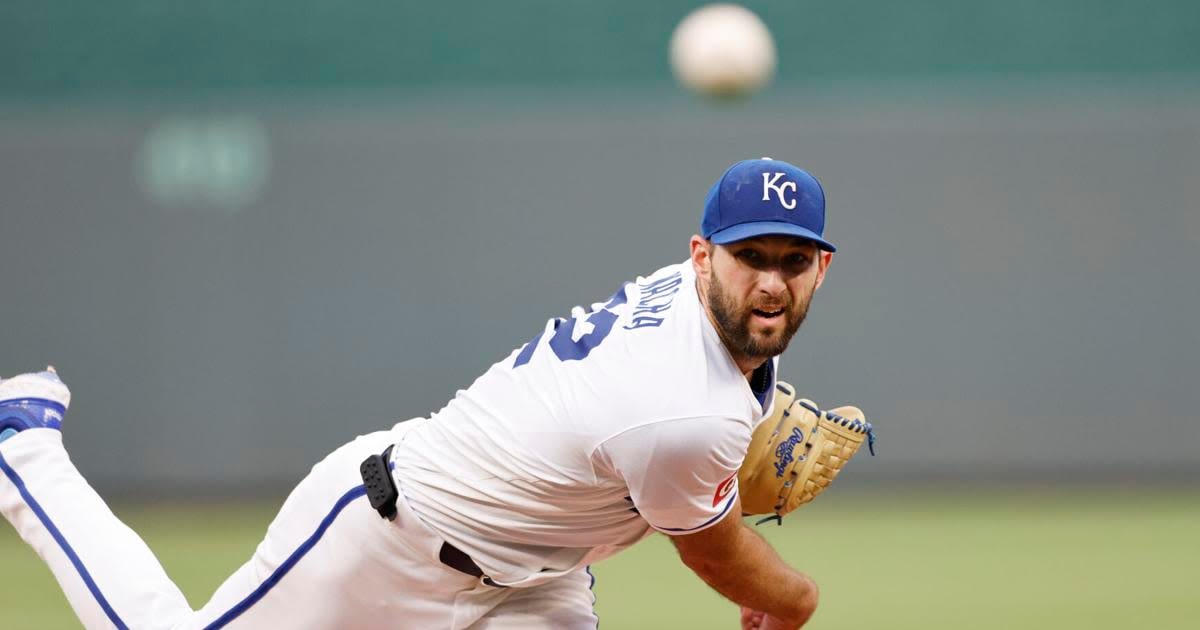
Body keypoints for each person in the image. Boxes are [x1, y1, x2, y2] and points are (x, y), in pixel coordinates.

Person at [0, 157, 836, 630]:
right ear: (700, 256)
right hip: (393, 536)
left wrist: (736, 451)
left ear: (821, 268)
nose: (770, 281)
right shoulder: (683, 413)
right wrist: (790, 599)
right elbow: (712, 550)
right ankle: (24, 447)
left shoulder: (696, 337)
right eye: (748, 256)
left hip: (535, 581)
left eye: (792, 262)